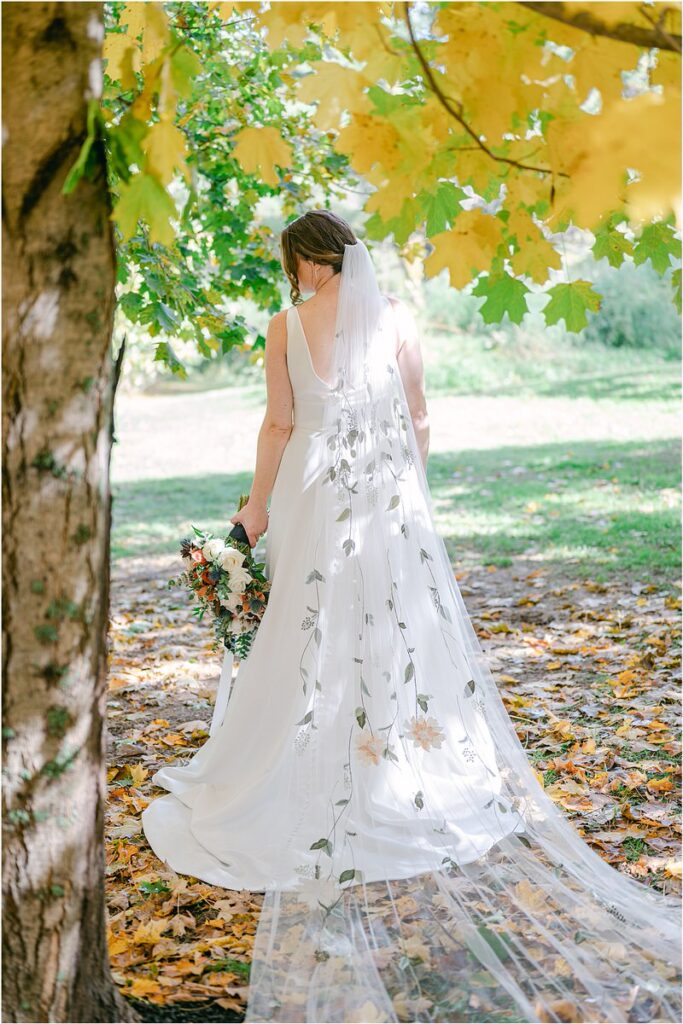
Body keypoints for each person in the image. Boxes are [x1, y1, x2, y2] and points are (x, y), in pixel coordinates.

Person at [142, 211, 681, 1024]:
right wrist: (409, 490)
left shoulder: (283, 325)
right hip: (389, 502)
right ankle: (396, 760)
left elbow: (282, 425)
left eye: (291, 262)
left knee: (305, 635)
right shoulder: (396, 317)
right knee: (393, 633)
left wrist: (253, 512)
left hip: (313, 496)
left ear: (302, 260)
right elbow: (419, 412)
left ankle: (297, 765)